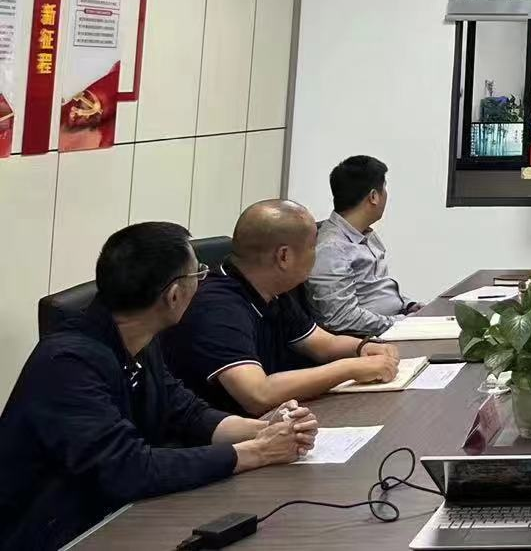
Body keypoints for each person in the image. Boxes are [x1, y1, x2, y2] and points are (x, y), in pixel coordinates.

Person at [0, 223, 317, 551]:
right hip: (53, 533)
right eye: (199, 274)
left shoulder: (138, 338)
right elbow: (127, 468)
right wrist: (257, 451)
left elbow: (186, 412)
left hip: (116, 515)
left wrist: (264, 428)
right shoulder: (68, 363)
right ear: (174, 295)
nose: (203, 282)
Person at [163, 200, 402, 416]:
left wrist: (364, 347)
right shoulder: (216, 306)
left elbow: (323, 345)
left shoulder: (271, 289)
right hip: (230, 435)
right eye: (313, 246)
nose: (317, 254)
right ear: (284, 256)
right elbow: (258, 395)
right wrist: (349, 368)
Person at [306, 156, 419, 339]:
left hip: (392, 324)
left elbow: (378, 289)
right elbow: (341, 318)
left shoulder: (365, 234)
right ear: (373, 197)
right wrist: (401, 324)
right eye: (384, 188)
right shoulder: (331, 248)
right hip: (366, 340)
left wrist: (409, 306)